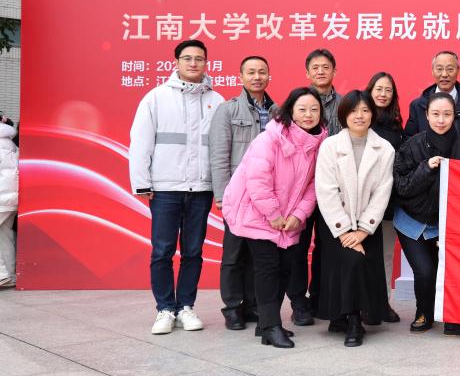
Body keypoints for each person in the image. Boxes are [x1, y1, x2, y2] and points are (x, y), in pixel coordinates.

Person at [129, 39, 224, 335]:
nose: (193, 63)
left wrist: (220, 185)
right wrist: (142, 183)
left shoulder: (217, 100)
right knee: (162, 251)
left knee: (193, 252)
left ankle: (185, 307)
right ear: (176, 62)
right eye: (187, 58)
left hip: (201, 189)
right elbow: (140, 142)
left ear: (206, 63)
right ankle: (165, 309)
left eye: (199, 59)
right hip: (165, 188)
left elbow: (221, 147)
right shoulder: (156, 98)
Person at [221, 87, 327, 349]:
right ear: (290, 111)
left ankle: (266, 323)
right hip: (256, 213)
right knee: (268, 269)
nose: (308, 114)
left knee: (285, 268)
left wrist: (298, 215)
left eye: (314, 109)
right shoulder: (269, 139)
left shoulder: (319, 144)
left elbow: (314, 185)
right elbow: (257, 181)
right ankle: (270, 326)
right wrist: (274, 215)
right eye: (302, 109)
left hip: (288, 218)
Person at [394, 93, 460, 336]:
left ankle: (453, 319)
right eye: (435, 114)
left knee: (453, 272)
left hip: (447, 224)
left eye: (447, 114)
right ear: (426, 115)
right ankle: (423, 312)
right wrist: (426, 168)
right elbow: (402, 188)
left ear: (455, 116)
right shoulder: (412, 145)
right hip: (411, 221)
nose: (441, 120)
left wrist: (450, 231)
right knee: (425, 271)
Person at [315, 90, 396, 347]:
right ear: (343, 115)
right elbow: (326, 191)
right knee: (351, 260)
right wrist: (344, 232)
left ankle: (352, 317)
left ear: (372, 114)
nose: (359, 116)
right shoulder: (330, 146)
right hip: (334, 223)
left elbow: (382, 192)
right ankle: (351, 319)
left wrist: (362, 231)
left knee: (359, 262)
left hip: (367, 224)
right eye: (353, 111)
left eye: (365, 110)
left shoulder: (384, 148)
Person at [209, 55, 276, 330]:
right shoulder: (227, 110)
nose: (257, 77)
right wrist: (221, 195)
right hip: (237, 195)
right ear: (241, 77)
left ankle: (253, 305)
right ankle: (232, 308)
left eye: (262, 72)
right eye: (251, 72)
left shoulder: (278, 112)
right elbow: (219, 154)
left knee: (258, 253)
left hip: (266, 195)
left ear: (269, 76)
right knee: (234, 254)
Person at [294, 48, 341, 324]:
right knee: (298, 248)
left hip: (333, 189)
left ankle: (322, 298)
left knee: (328, 246)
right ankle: (299, 304)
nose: (321, 71)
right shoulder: (296, 104)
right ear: (307, 72)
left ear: (334, 71)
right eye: (315, 67)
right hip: (299, 189)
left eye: (326, 67)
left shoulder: (346, 104)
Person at [366, 72, 405, 324]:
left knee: (385, 255)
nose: (382, 94)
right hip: (362, 203)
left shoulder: (396, 127)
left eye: (388, 90)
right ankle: (361, 304)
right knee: (362, 256)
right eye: (378, 89)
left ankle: (383, 303)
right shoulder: (360, 121)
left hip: (388, 202)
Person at [404, 51, 460, 148]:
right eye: (439, 69)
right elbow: (409, 142)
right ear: (432, 71)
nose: (444, 74)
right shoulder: (418, 105)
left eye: (450, 69)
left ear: (458, 71)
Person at [0, 115, 17, 289]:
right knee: (4, 237)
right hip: (12, 198)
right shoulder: (10, 143)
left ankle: (2, 275)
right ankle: (9, 276)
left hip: (1, 197)